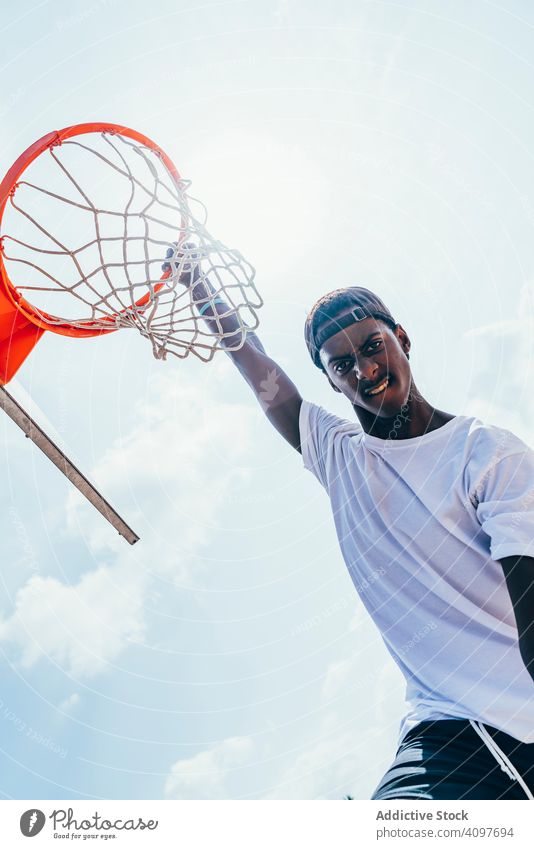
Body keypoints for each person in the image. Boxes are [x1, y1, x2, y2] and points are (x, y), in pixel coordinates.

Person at [165, 247, 534, 800]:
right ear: (331, 381)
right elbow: (254, 361)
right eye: (342, 364)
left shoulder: (486, 454)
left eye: (372, 347)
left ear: (401, 339)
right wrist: (196, 283)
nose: (364, 370)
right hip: (442, 732)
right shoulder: (339, 457)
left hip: (515, 723)